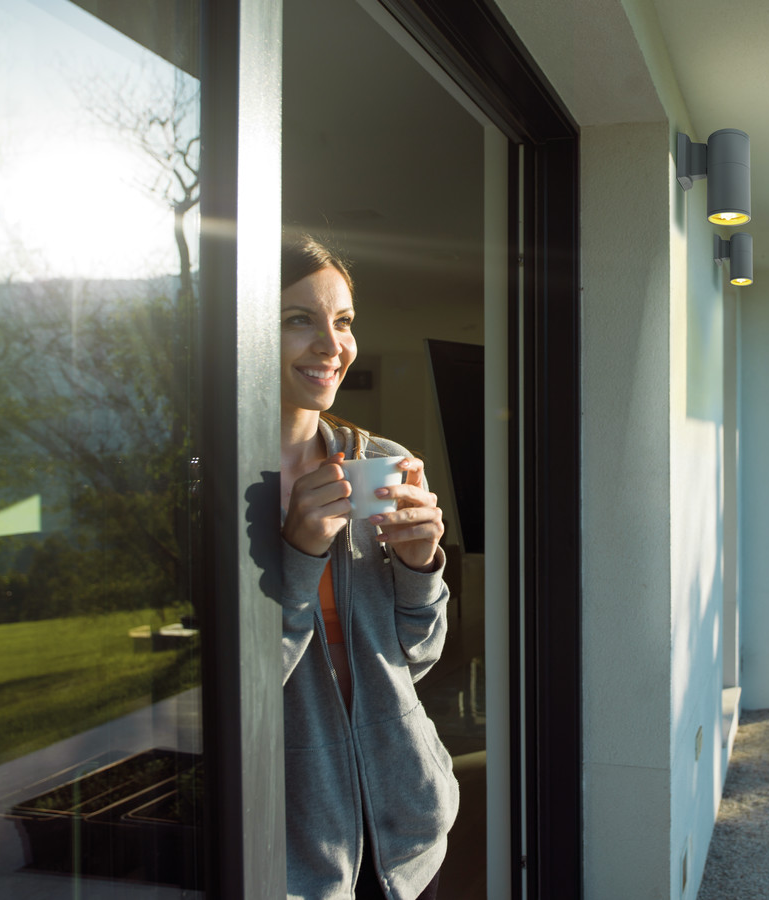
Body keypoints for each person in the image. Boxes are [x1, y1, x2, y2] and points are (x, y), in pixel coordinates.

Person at [278, 234, 458, 900]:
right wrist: (298, 555)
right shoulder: (209, 493)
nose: (333, 344)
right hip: (297, 854)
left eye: (344, 321)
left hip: (409, 832)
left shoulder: (377, 458)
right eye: (299, 319)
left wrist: (420, 566)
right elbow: (230, 692)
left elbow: (418, 655)